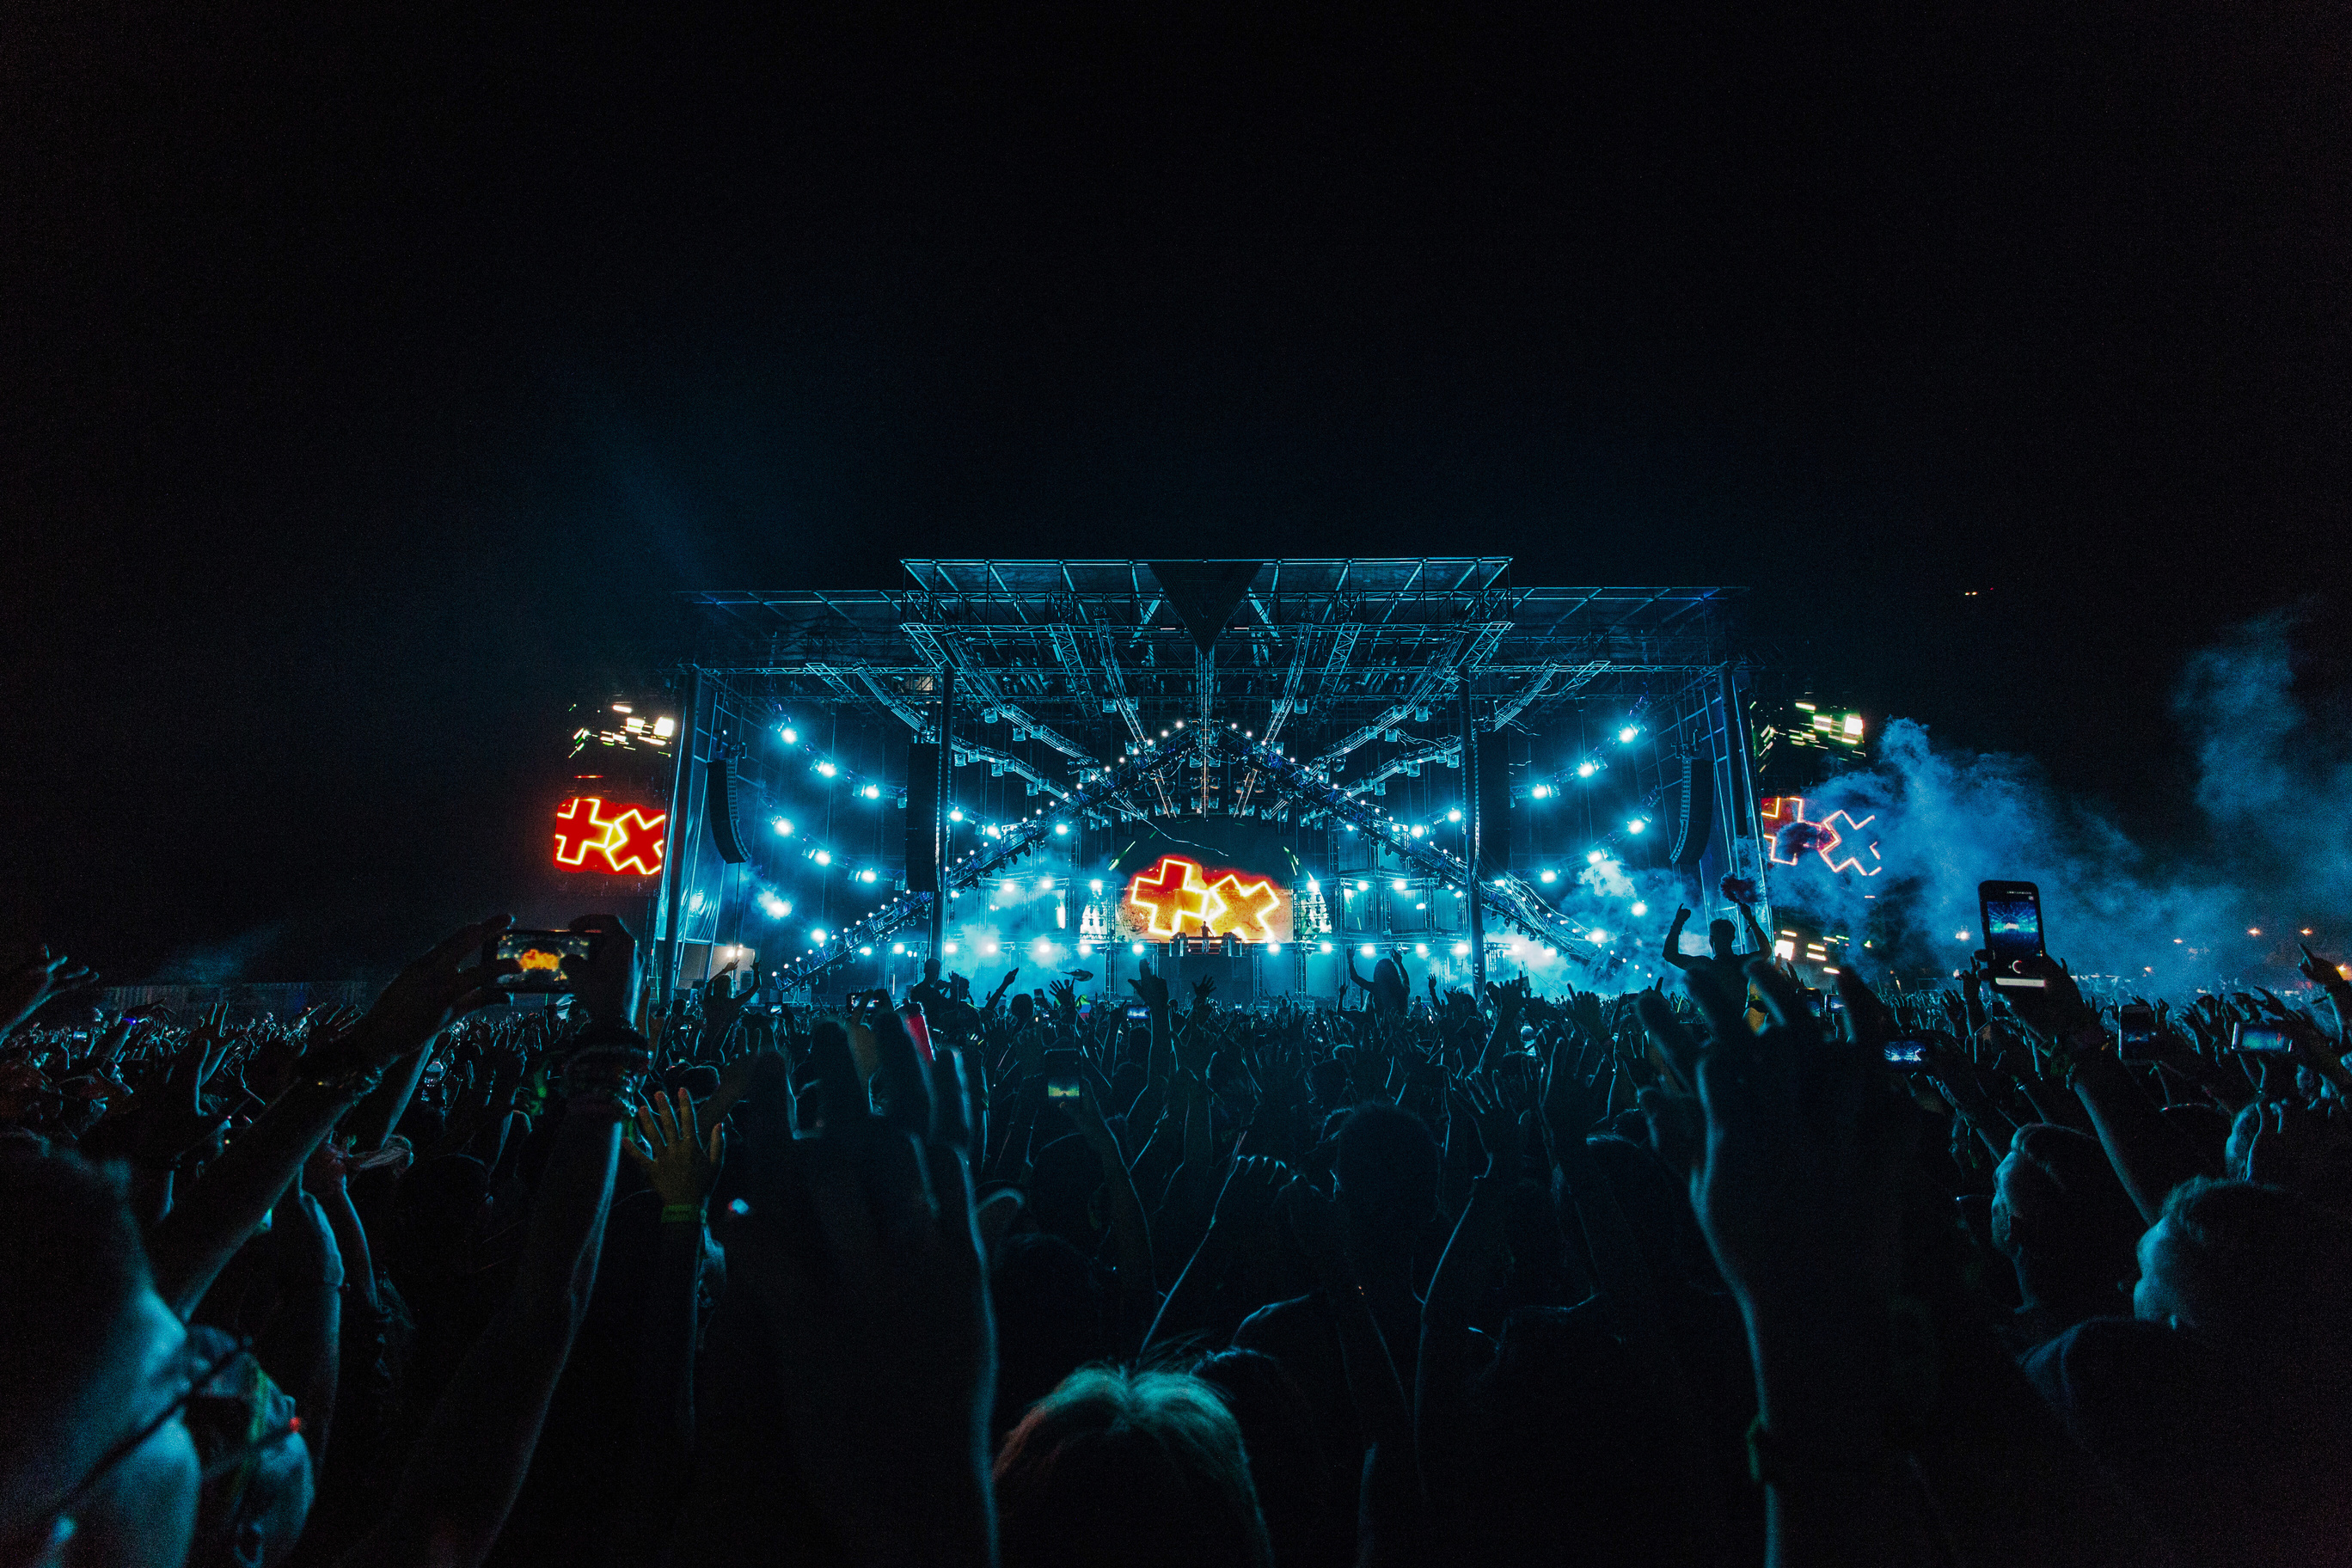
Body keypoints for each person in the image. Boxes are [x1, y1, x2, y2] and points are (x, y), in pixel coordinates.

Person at [1344, 946, 1410, 1015]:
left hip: (1383, 1025)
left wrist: (1350, 960)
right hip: (1402, 1025)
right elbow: (1405, 979)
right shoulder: (1403, 990)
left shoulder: (1378, 989)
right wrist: (1400, 964)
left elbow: (1355, 977)